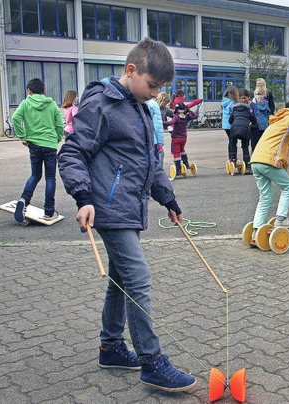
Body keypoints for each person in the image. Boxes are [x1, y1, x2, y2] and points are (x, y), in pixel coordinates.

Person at [57, 37, 196, 393]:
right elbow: (72, 152)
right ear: (131, 71)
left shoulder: (139, 106)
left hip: (129, 209)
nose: (155, 93)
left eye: (161, 88)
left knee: (121, 280)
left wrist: (168, 198)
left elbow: (150, 160)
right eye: (152, 85)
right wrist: (83, 197)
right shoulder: (101, 104)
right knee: (138, 279)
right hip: (108, 208)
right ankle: (152, 362)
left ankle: (111, 347)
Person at [247, 96, 289, 244]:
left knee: (265, 196)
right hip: (268, 160)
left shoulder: (277, 119)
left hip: (256, 160)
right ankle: (281, 219)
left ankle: (256, 231)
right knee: (288, 187)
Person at [12, 77, 64, 223]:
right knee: (50, 178)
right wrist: (57, 138)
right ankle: (49, 211)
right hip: (50, 145)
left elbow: (16, 117)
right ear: (44, 90)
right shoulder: (52, 104)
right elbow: (59, 124)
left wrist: (23, 135)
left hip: (33, 144)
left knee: (35, 175)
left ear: (29, 91)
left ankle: (24, 200)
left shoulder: (26, 103)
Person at [163, 102, 198, 176]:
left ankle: (178, 169)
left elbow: (170, 122)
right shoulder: (186, 116)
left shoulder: (176, 117)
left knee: (176, 152)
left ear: (177, 109)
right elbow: (195, 116)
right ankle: (186, 164)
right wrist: (189, 111)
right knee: (182, 150)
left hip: (176, 137)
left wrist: (161, 122)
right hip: (184, 138)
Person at [228, 91, 257, 174]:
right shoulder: (248, 111)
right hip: (245, 129)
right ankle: (247, 164)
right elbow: (254, 120)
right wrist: (253, 124)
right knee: (245, 146)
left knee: (233, 143)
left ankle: (233, 159)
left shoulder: (234, 110)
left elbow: (230, 121)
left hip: (234, 129)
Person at [146, 97, 165, 169]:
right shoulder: (153, 105)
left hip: (140, 140)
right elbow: (158, 127)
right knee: (155, 164)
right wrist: (160, 144)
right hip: (152, 140)